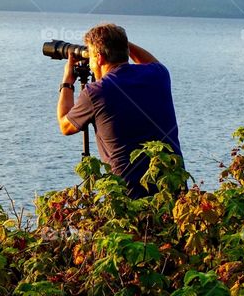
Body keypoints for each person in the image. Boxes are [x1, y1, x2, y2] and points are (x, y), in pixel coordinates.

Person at [56, 23, 183, 198]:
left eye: (91, 57)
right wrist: (119, 43)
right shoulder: (159, 75)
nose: (90, 63)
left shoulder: (96, 92)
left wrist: (67, 81)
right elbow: (149, 60)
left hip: (129, 197)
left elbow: (65, 125)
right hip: (173, 189)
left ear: (99, 58)